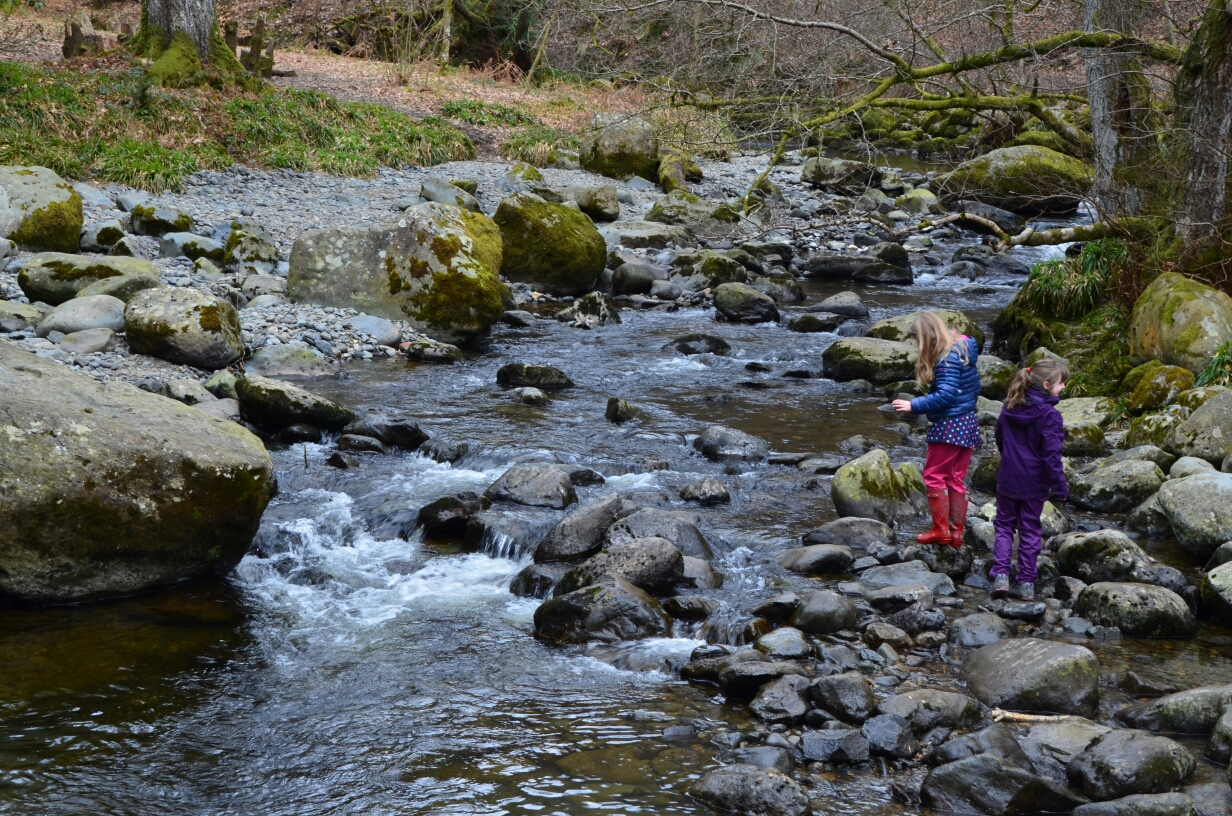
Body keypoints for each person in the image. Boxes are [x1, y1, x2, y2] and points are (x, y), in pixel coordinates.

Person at [892, 312, 981, 548]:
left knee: (933, 475)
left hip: (950, 424)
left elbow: (946, 395)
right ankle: (956, 533)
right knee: (955, 478)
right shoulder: (963, 348)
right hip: (968, 421)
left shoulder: (946, 357)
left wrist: (914, 405)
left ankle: (940, 529)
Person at [990, 358, 1069, 600]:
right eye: (1060, 383)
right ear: (1046, 385)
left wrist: (1011, 461)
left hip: (1008, 478)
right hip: (1034, 484)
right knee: (1030, 530)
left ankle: (1001, 576)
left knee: (1004, 526)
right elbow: (1052, 457)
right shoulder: (1051, 417)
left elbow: (1000, 439)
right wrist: (1060, 487)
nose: (1063, 387)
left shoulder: (1010, 406)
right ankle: (1026, 582)